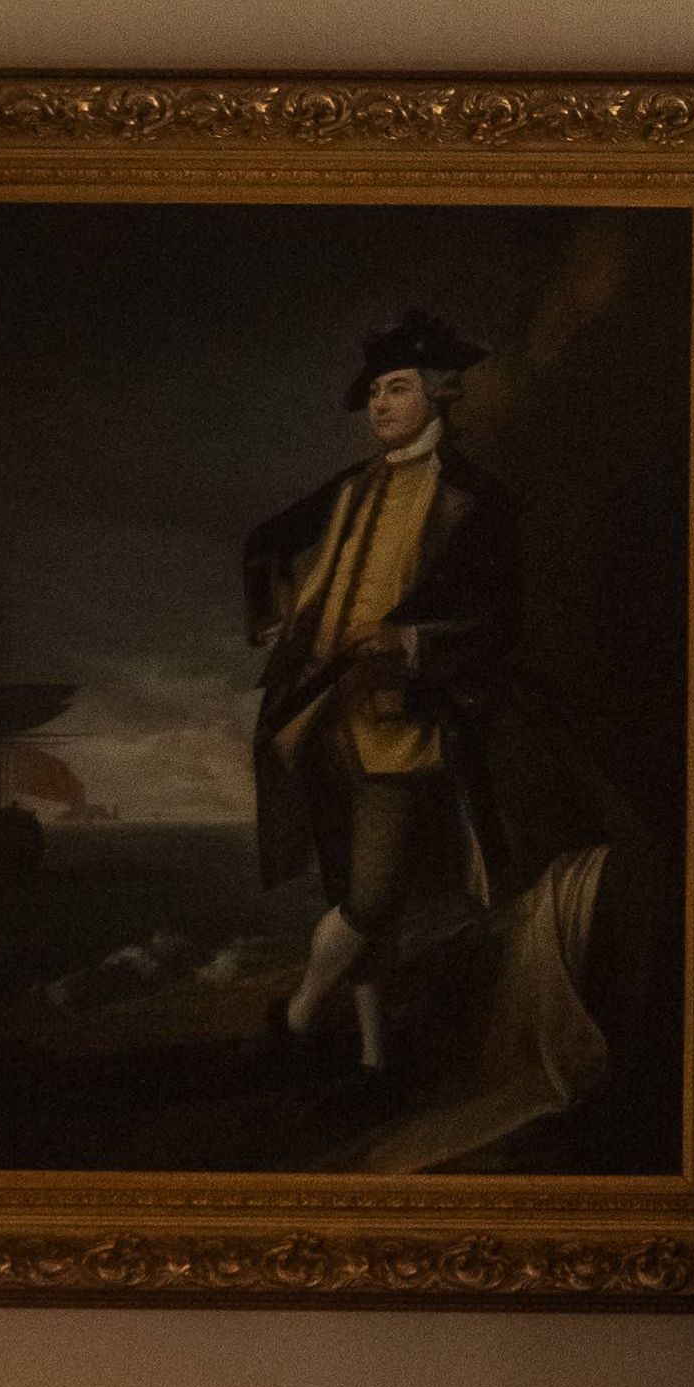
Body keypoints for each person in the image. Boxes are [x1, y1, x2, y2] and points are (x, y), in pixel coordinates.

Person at [239, 308, 522, 1068]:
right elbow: (266, 539)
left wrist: (410, 640)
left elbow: (503, 622)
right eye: (373, 395)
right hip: (322, 717)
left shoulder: (476, 500)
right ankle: (374, 1059)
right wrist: (273, 617)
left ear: (440, 394)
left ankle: (298, 1014)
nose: (379, 406)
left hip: (404, 723)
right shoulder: (349, 488)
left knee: (370, 900)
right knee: (351, 896)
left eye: (396, 390)